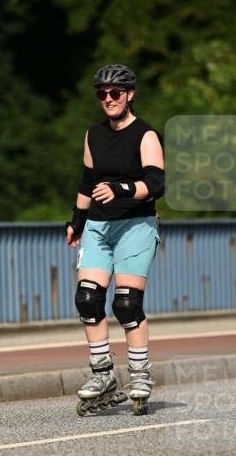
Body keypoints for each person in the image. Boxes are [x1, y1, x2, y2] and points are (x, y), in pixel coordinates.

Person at [65, 63, 165, 415]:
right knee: (88, 298)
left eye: (115, 93)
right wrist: (77, 221)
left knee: (126, 304)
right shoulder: (93, 134)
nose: (108, 99)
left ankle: (139, 374)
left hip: (135, 226)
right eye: (102, 94)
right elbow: (87, 182)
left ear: (129, 95)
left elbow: (157, 184)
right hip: (98, 226)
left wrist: (120, 188)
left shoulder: (146, 135)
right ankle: (103, 375)